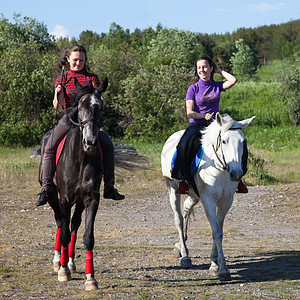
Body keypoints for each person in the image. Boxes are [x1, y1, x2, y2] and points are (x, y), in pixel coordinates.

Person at [36, 45, 124, 206]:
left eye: (81, 60)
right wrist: (59, 92)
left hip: (89, 120)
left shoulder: (92, 78)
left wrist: (99, 99)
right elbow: (57, 105)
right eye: (75, 60)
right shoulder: (63, 79)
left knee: (108, 146)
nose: (78, 63)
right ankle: (47, 188)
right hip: (69, 119)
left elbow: (99, 99)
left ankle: (109, 187)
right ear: (68, 60)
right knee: (49, 147)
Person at [171, 56, 248, 194]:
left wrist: (220, 70)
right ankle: (183, 180)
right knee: (183, 145)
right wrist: (202, 116)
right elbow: (189, 113)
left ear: (211, 68)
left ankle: (239, 178)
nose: (202, 70)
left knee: (239, 140)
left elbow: (233, 80)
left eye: (205, 67)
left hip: (215, 125)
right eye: (199, 67)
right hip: (196, 124)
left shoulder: (216, 86)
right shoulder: (192, 89)